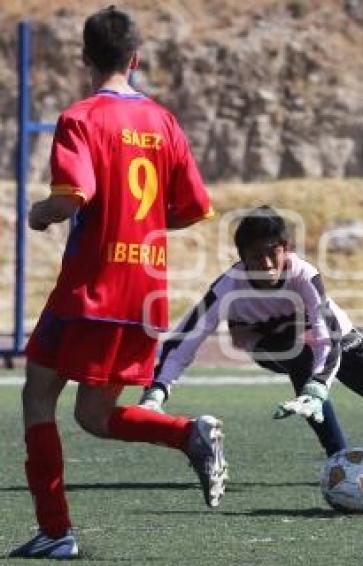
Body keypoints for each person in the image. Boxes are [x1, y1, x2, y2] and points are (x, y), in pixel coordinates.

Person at [11, 7, 226, 559]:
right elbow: (194, 206)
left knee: (37, 397)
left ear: (85, 58)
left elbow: (73, 193)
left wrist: (40, 211)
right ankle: (187, 434)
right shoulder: (163, 120)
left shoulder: (81, 117)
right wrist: (146, 223)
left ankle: (56, 532)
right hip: (146, 293)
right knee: (94, 415)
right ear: (135, 58)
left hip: (91, 290)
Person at [138, 205, 363, 480]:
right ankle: (339, 458)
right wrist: (158, 390)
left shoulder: (304, 276)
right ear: (241, 258)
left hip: (335, 340)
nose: (265, 264)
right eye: (254, 256)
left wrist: (318, 387)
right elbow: (185, 340)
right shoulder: (228, 287)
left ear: (286, 248)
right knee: (297, 353)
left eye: (271, 253)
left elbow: (325, 335)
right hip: (275, 348)